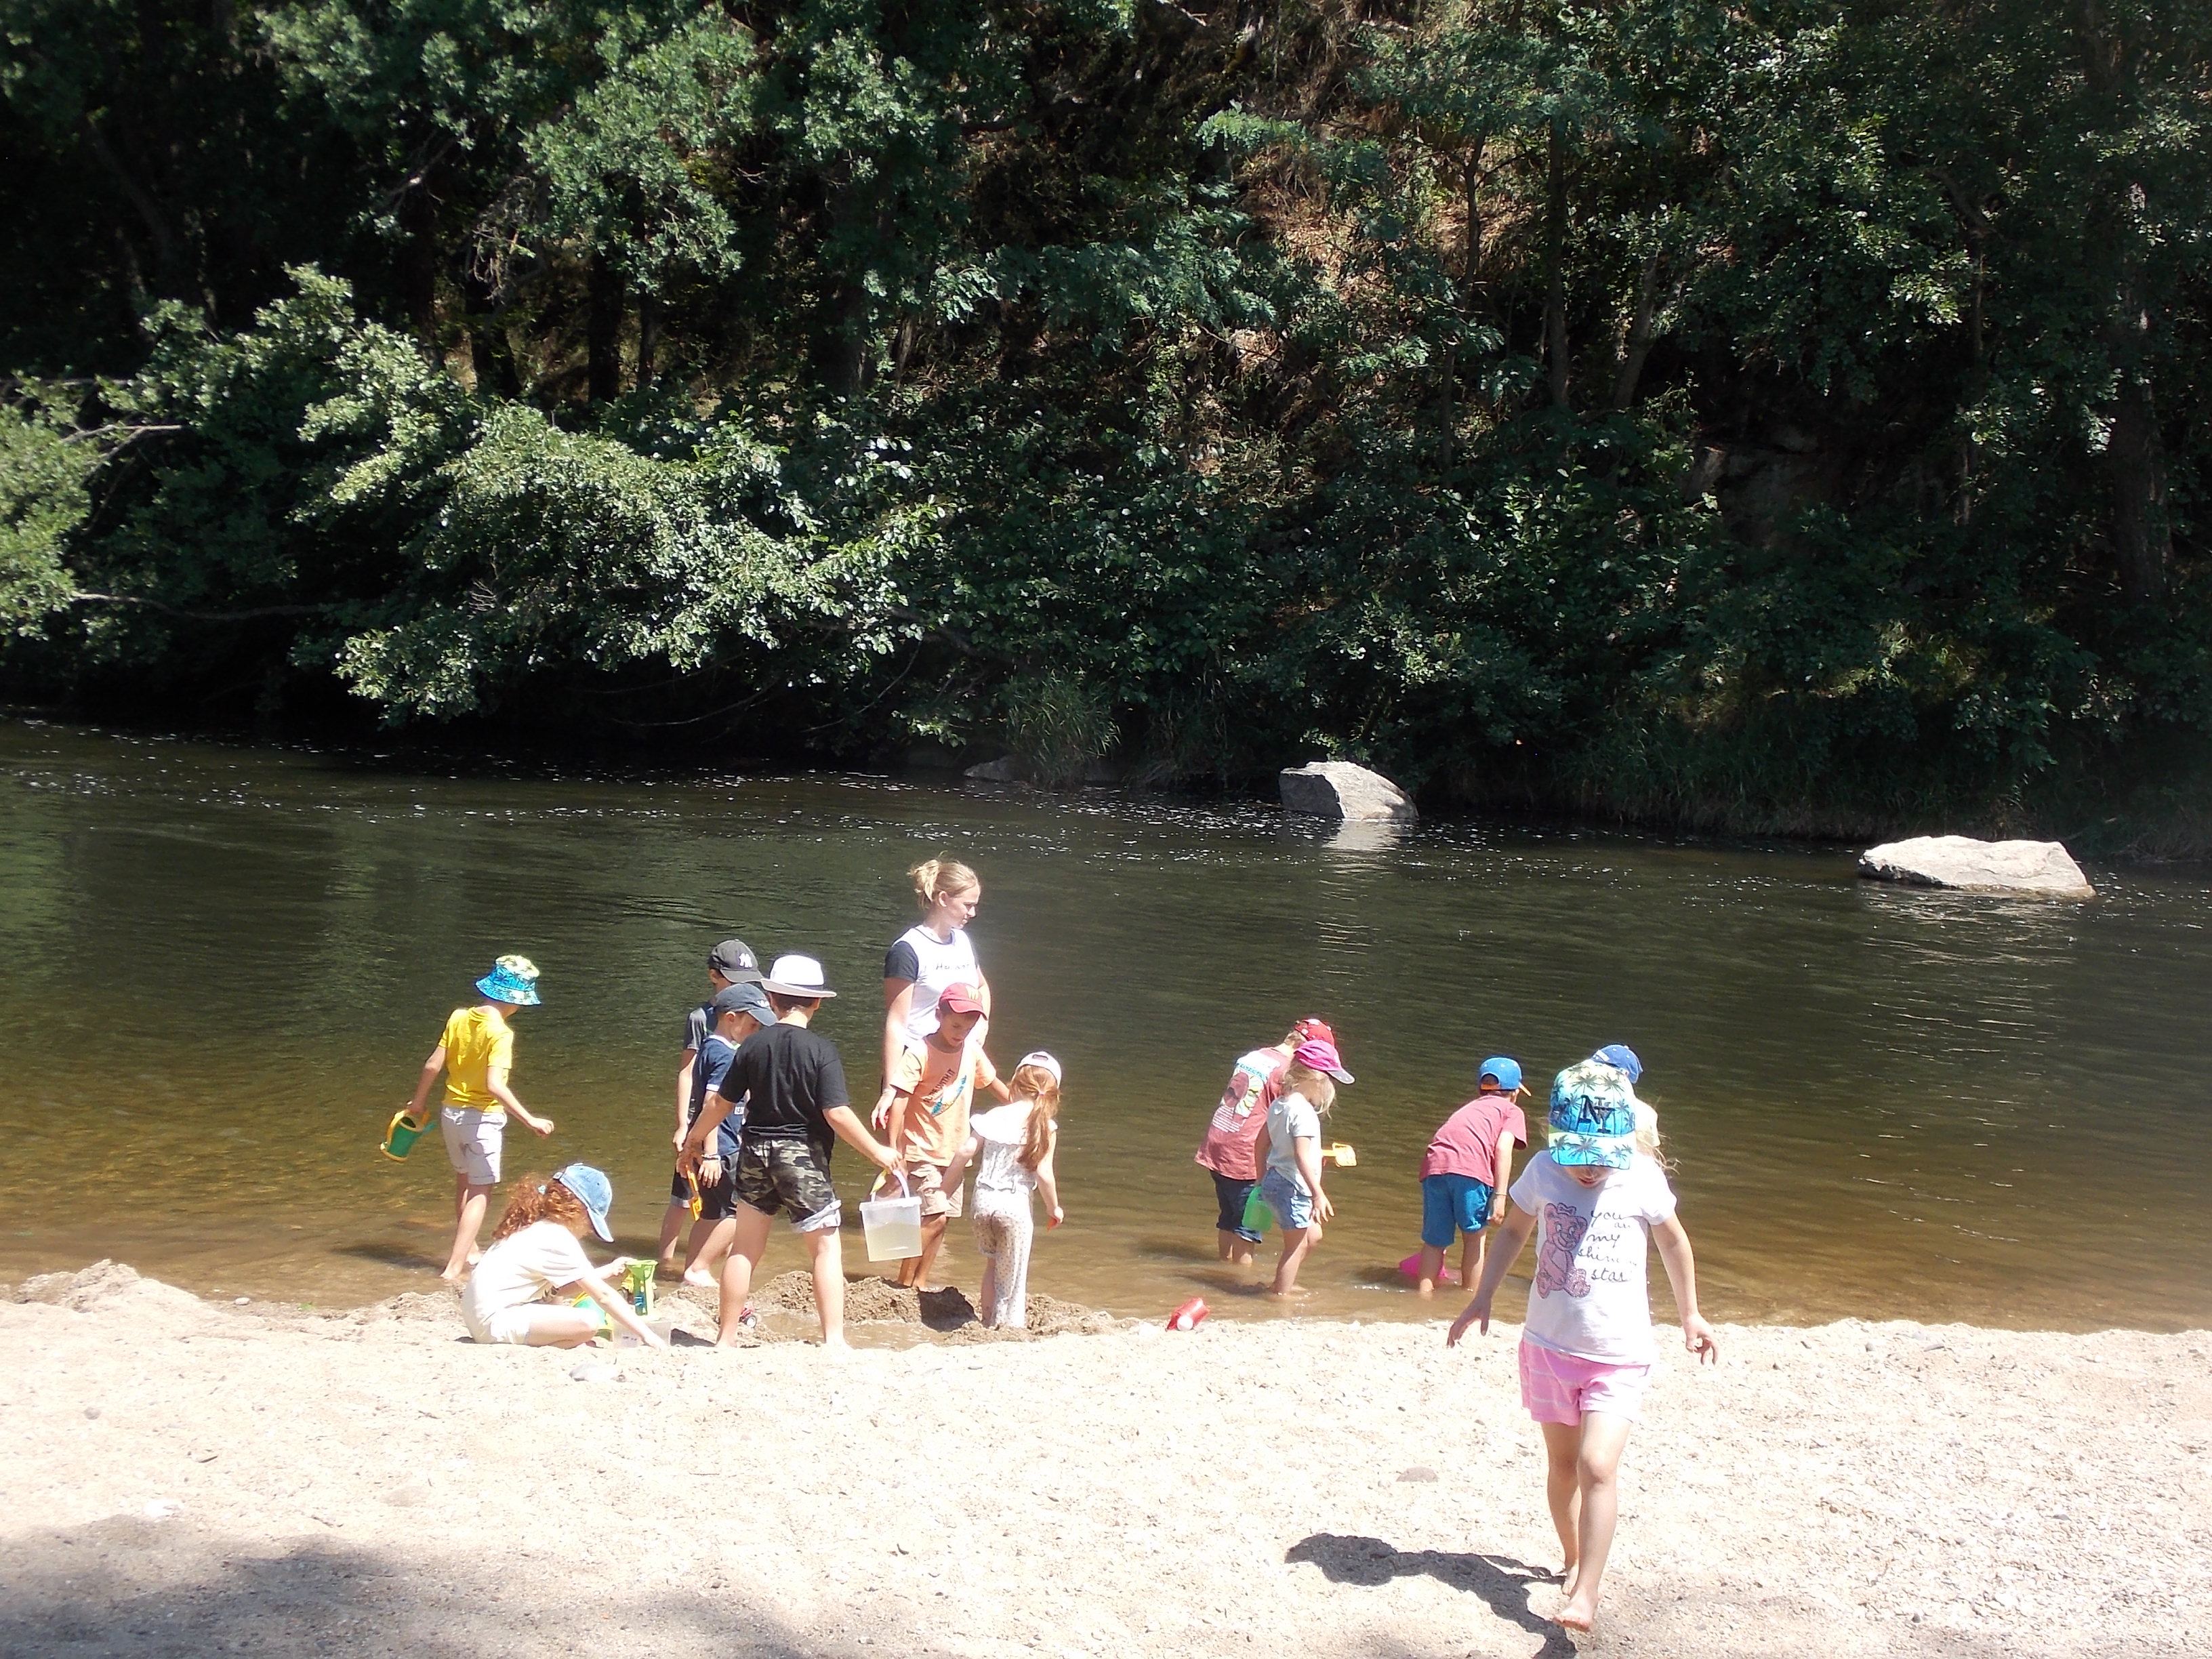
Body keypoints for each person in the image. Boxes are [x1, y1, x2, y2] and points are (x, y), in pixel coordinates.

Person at [1446, 1053, 1717, 1634]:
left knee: (1598, 1464)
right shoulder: (1544, 1170)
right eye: (1578, 1156)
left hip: (1619, 1354)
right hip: (1549, 1347)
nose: (1589, 1170)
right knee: (1564, 1466)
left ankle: (1587, 1590)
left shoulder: (1641, 1176)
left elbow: (1674, 1243)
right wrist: (1483, 1295)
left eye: (1600, 1158)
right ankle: (1572, 1558)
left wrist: (1691, 1314)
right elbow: (1514, 1230)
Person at [680, 954, 900, 1347]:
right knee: (825, 1248)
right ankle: (834, 1340)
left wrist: (693, 1141)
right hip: (802, 1154)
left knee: (744, 1248)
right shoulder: (821, 1050)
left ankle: (725, 1339)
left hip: (754, 1150)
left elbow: (720, 1104)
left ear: (771, 998)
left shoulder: (751, 1046)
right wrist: (876, 1152)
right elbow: (836, 1113)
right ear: (817, 1002)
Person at [404, 954, 555, 1282]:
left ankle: (470, 1251)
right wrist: (530, 1119)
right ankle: (453, 1268)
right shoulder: (500, 1034)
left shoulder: (458, 1017)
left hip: (450, 1113)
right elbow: (494, 1085)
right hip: (482, 1119)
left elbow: (432, 1065)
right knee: (480, 1192)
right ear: (515, 1001)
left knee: (463, 1182)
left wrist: (418, 1102)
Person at [872, 981, 1010, 1290]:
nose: (961, 1033)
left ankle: (920, 1283)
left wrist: (1021, 1107)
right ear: (939, 1015)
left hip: (954, 1154)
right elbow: (900, 1101)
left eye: (968, 1027)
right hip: (920, 1151)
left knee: (941, 1220)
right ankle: (904, 1282)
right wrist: (894, 1148)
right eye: (956, 1025)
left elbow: (992, 1083)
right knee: (933, 1217)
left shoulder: (971, 1051)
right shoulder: (920, 1053)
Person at [460, 1164, 666, 1349]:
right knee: (588, 1322)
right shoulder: (557, 1237)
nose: (588, 1231)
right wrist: (647, 1335)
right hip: (494, 1322)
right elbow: (604, 1296)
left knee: (557, 1303)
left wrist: (610, 1271)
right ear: (579, 1212)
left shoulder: (536, 1225)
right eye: (590, 1223)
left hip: (480, 1317)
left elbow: (559, 1289)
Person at [1194, 1017, 1336, 1267]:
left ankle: (1222, 1264)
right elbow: (1287, 1123)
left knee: (1229, 1216)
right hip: (1245, 1152)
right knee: (1248, 1225)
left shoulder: (1256, 1055)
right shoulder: (1289, 1072)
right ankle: (1238, 1278)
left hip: (1219, 1141)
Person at [659, 938, 762, 1273]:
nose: (743, 987)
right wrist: (683, 1125)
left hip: (729, 1122)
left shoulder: (752, 1014)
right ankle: (667, 1265)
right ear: (714, 976)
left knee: (715, 1205)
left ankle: (700, 1269)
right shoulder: (701, 1019)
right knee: (687, 1196)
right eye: (735, 980)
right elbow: (689, 1073)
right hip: (706, 1122)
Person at [953, 1051, 1064, 1329]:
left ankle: (987, 1321)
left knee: (993, 1265)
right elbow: (1044, 1174)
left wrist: (944, 1189)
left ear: (1014, 1084)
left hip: (982, 1202)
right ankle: (1008, 1328)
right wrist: (1054, 1208)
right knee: (1012, 1278)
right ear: (1052, 1095)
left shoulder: (994, 1115)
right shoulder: (1045, 1127)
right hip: (1014, 1205)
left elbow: (965, 1151)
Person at [678, 979, 775, 1289]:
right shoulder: (725, 1056)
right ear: (731, 1018)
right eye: (753, 1025)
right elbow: (712, 1103)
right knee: (741, 1212)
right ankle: (700, 1268)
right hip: (723, 1148)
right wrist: (712, 1154)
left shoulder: (708, 1047)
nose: (756, 1032)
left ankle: (691, 1272)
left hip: (717, 1145)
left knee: (710, 1213)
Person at [1414, 1055, 1531, 1297]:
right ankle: (1469, 1296)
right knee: (1475, 1236)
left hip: (1434, 1166)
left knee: (1435, 1241)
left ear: (1481, 1088)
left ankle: (1423, 1296)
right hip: (1471, 1171)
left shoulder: (1469, 1108)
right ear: (1515, 1093)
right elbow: (1503, 1148)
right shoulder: (1512, 1111)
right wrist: (1500, 1196)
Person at [880, 857, 991, 1101]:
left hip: (956, 1060)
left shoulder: (963, 941)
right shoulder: (908, 949)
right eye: (968, 905)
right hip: (916, 1063)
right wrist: (890, 1089)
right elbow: (896, 1024)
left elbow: (982, 987)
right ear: (943, 899)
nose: (973, 913)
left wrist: (981, 1027)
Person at [1256, 1037, 1355, 1296]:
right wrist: (1318, 1194)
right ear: (1316, 1078)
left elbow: (1261, 1143)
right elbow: (1301, 1156)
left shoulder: (1280, 1104)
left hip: (1276, 1179)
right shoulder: (1305, 1113)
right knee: (1296, 1246)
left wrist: (1260, 1179)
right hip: (1294, 1187)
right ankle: (1280, 1296)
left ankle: (1282, 1283)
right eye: (1329, 1080)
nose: (1330, 1087)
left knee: (1313, 1236)